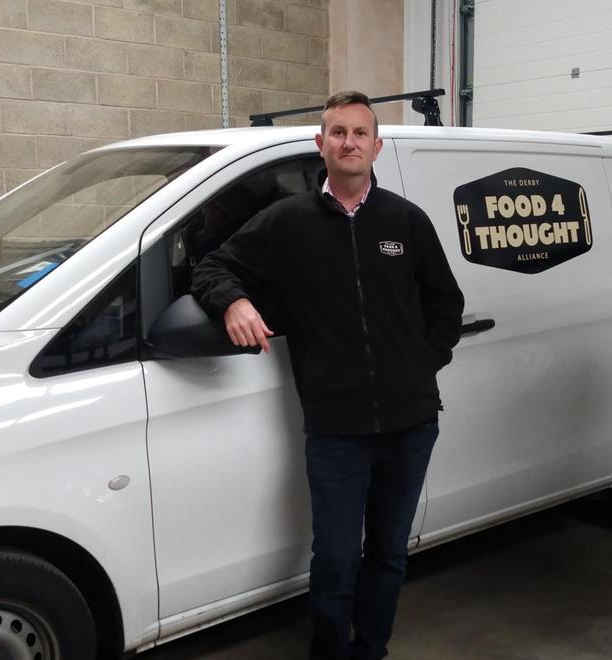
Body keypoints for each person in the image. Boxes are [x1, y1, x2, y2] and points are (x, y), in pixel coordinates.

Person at [191, 91, 465, 660]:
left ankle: (372, 649)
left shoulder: (405, 221)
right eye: (337, 132)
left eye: (360, 133)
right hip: (336, 431)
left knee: (389, 552)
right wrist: (233, 302)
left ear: (376, 147)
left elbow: (446, 304)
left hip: (411, 424)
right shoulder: (288, 221)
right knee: (337, 558)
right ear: (320, 144)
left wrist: (417, 365)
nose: (349, 143)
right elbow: (213, 265)